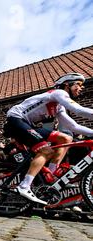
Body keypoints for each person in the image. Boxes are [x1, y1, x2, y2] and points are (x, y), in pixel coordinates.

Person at [5, 72, 93, 205]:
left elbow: (74, 126)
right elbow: (79, 110)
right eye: (78, 84)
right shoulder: (58, 94)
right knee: (46, 151)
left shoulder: (59, 106)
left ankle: (50, 177)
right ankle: (24, 186)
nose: (81, 88)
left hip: (27, 124)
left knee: (66, 138)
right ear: (66, 85)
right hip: (15, 120)